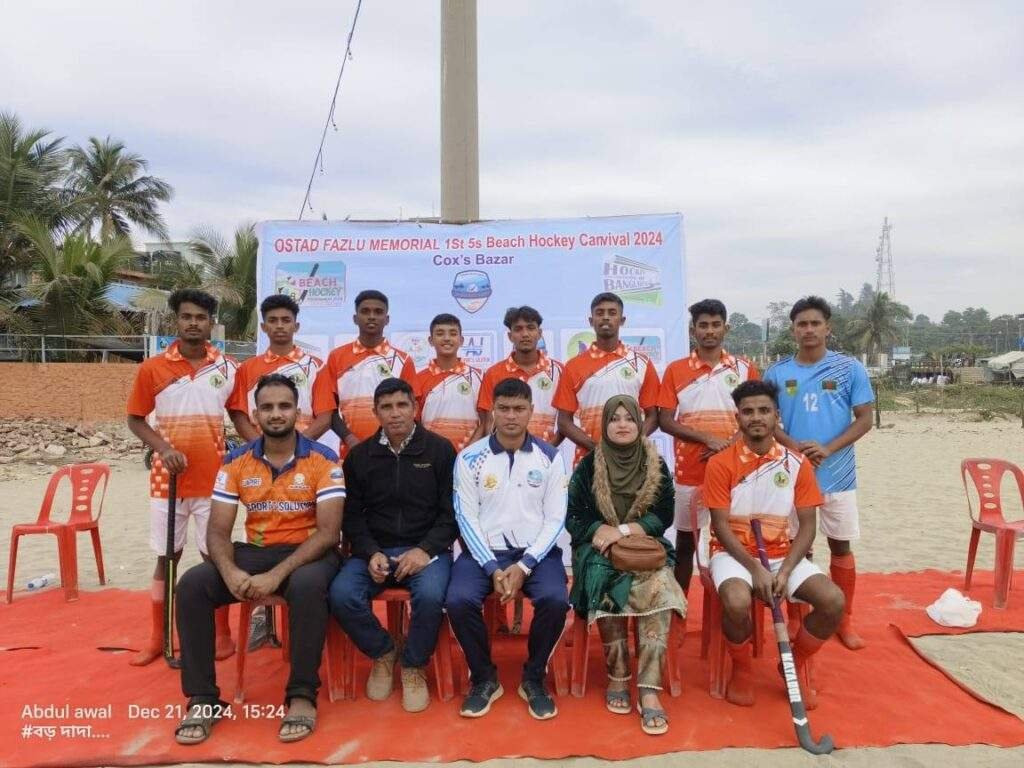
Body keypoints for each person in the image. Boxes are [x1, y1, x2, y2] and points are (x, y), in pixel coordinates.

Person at [172, 373, 345, 744]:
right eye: (267, 407)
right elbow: (217, 532)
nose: (276, 414)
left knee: (307, 584)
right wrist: (230, 570)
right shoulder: (236, 462)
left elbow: (329, 533)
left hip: (311, 552)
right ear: (255, 414)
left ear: (297, 411)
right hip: (256, 552)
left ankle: (301, 695)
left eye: (284, 406)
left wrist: (275, 575)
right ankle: (203, 699)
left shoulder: (323, 459)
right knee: (191, 586)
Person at [703, 380, 845, 709]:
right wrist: (755, 569)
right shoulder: (720, 463)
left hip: (783, 555)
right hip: (732, 554)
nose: (756, 417)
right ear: (737, 417)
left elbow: (808, 526)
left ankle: (792, 662)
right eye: (748, 411)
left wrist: (786, 571)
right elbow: (720, 527)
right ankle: (741, 669)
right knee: (737, 602)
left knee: (833, 601)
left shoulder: (797, 464)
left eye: (764, 410)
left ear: (776, 416)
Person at [126, 288, 241, 666]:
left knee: (215, 554)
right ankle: (157, 637)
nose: (194, 323)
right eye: (187, 316)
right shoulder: (153, 368)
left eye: (201, 317)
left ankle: (222, 634)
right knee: (168, 556)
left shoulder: (227, 368)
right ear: (177, 321)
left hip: (215, 480)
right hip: (167, 481)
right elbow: (136, 419)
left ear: (212, 323)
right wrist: (162, 448)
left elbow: (238, 415)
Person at [329, 377, 458, 713]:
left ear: (415, 408)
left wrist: (424, 550)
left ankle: (413, 664)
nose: (395, 413)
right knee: (341, 594)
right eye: (386, 407)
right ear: (375, 412)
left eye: (402, 405)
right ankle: (384, 651)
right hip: (375, 550)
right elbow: (352, 517)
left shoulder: (440, 450)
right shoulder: (359, 457)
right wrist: (371, 552)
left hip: (426, 551)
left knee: (431, 597)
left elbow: (451, 515)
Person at [446, 378, 569, 720]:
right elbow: (464, 517)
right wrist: (491, 567)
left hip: (536, 554)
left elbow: (556, 518)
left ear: (532, 411)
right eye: (503, 409)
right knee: (457, 600)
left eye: (519, 409)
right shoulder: (470, 458)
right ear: (492, 412)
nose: (511, 416)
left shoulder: (550, 457)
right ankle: (484, 678)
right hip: (483, 554)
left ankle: (534, 678)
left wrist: (526, 564)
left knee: (556, 600)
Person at [566, 395, 686, 736]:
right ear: (604, 425)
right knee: (606, 581)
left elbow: (663, 515)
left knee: (660, 588)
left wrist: (624, 530)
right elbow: (573, 516)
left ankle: (649, 689)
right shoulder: (589, 466)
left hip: (644, 547)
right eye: (614, 418)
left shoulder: (656, 465)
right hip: (597, 549)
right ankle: (618, 676)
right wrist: (597, 530)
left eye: (629, 418)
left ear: (639, 423)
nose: (622, 424)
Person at [763, 296, 873, 650]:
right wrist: (794, 447)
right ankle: (798, 618)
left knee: (841, 547)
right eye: (801, 324)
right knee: (798, 549)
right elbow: (767, 421)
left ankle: (846, 619)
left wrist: (828, 448)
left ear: (828, 327)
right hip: (791, 477)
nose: (808, 330)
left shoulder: (849, 368)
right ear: (793, 329)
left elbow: (865, 419)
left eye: (815, 323)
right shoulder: (777, 372)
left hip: (838, 474)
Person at [657, 299, 759, 595]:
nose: (709, 331)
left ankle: (732, 606)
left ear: (726, 328)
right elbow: (665, 420)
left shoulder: (744, 368)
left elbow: (757, 415)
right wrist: (707, 439)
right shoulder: (676, 370)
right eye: (703, 325)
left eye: (716, 325)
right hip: (690, 470)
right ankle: (679, 610)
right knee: (686, 544)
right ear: (693, 330)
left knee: (736, 538)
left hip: (737, 470)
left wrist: (728, 446)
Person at [554, 292, 660, 467]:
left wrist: (631, 443)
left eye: (612, 313)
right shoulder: (573, 366)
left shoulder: (642, 363)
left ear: (622, 320)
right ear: (591, 320)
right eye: (599, 313)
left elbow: (654, 416)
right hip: (588, 460)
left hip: (632, 460)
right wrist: (596, 449)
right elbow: (564, 423)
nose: (605, 317)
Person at [309, 289, 416, 456]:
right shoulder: (336, 357)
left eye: (378, 312)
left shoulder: (403, 360)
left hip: (395, 452)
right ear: (355, 318)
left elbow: (411, 409)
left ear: (387, 319)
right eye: (365, 311)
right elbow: (329, 409)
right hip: (352, 451)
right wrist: (350, 439)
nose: (371, 316)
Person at [229, 294, 323, 441]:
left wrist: (298, 447)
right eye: (273, 320)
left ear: (296, 326)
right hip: (259, 455)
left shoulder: (316, 366)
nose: (279, 325)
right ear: (263, 327)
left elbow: (325, 415)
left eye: (286, 320)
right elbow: (238, 415)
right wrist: (262, 448)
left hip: (305, 453)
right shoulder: (246, 368)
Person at [478, 306, 564, 444]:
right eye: (518, 329)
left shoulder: (559, 371)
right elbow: (489, 421)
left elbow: (566, 421)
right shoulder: (494, 373)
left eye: (530, 328)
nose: (525, 334)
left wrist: (547, 452)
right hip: (503, 456)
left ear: (540, 333)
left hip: (544, 457)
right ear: (510, 336)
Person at [415, 313, 485, 451]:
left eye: (453, 334)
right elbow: (414, 423)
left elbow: (485, 422)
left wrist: (469, 452)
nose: (447, 338)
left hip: (469, 456)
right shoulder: (418, 379)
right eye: (440, 334)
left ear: (461, 340)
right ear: (430, 340)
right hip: (431, 455)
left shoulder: (479, 376)